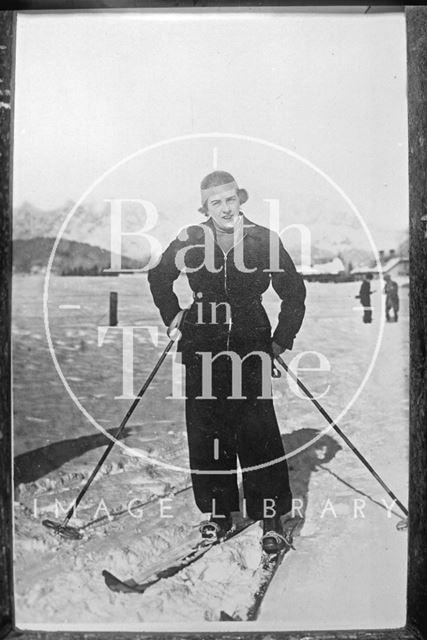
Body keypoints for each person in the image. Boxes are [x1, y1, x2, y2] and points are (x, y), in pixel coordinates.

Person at [148, 170, 306, 553]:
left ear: (240, 200)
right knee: (207, 432)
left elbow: (294, 293)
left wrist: (281, 341)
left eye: (230, 199)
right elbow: (159, 277)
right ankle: (218, 514)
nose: (224, 208)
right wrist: (174, 316)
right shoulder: (190, 238)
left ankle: (270, 514)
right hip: (202, 342)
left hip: (251, 342)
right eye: (215, 202)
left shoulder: (264, 240)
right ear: (206, 206)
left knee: (258, 431)